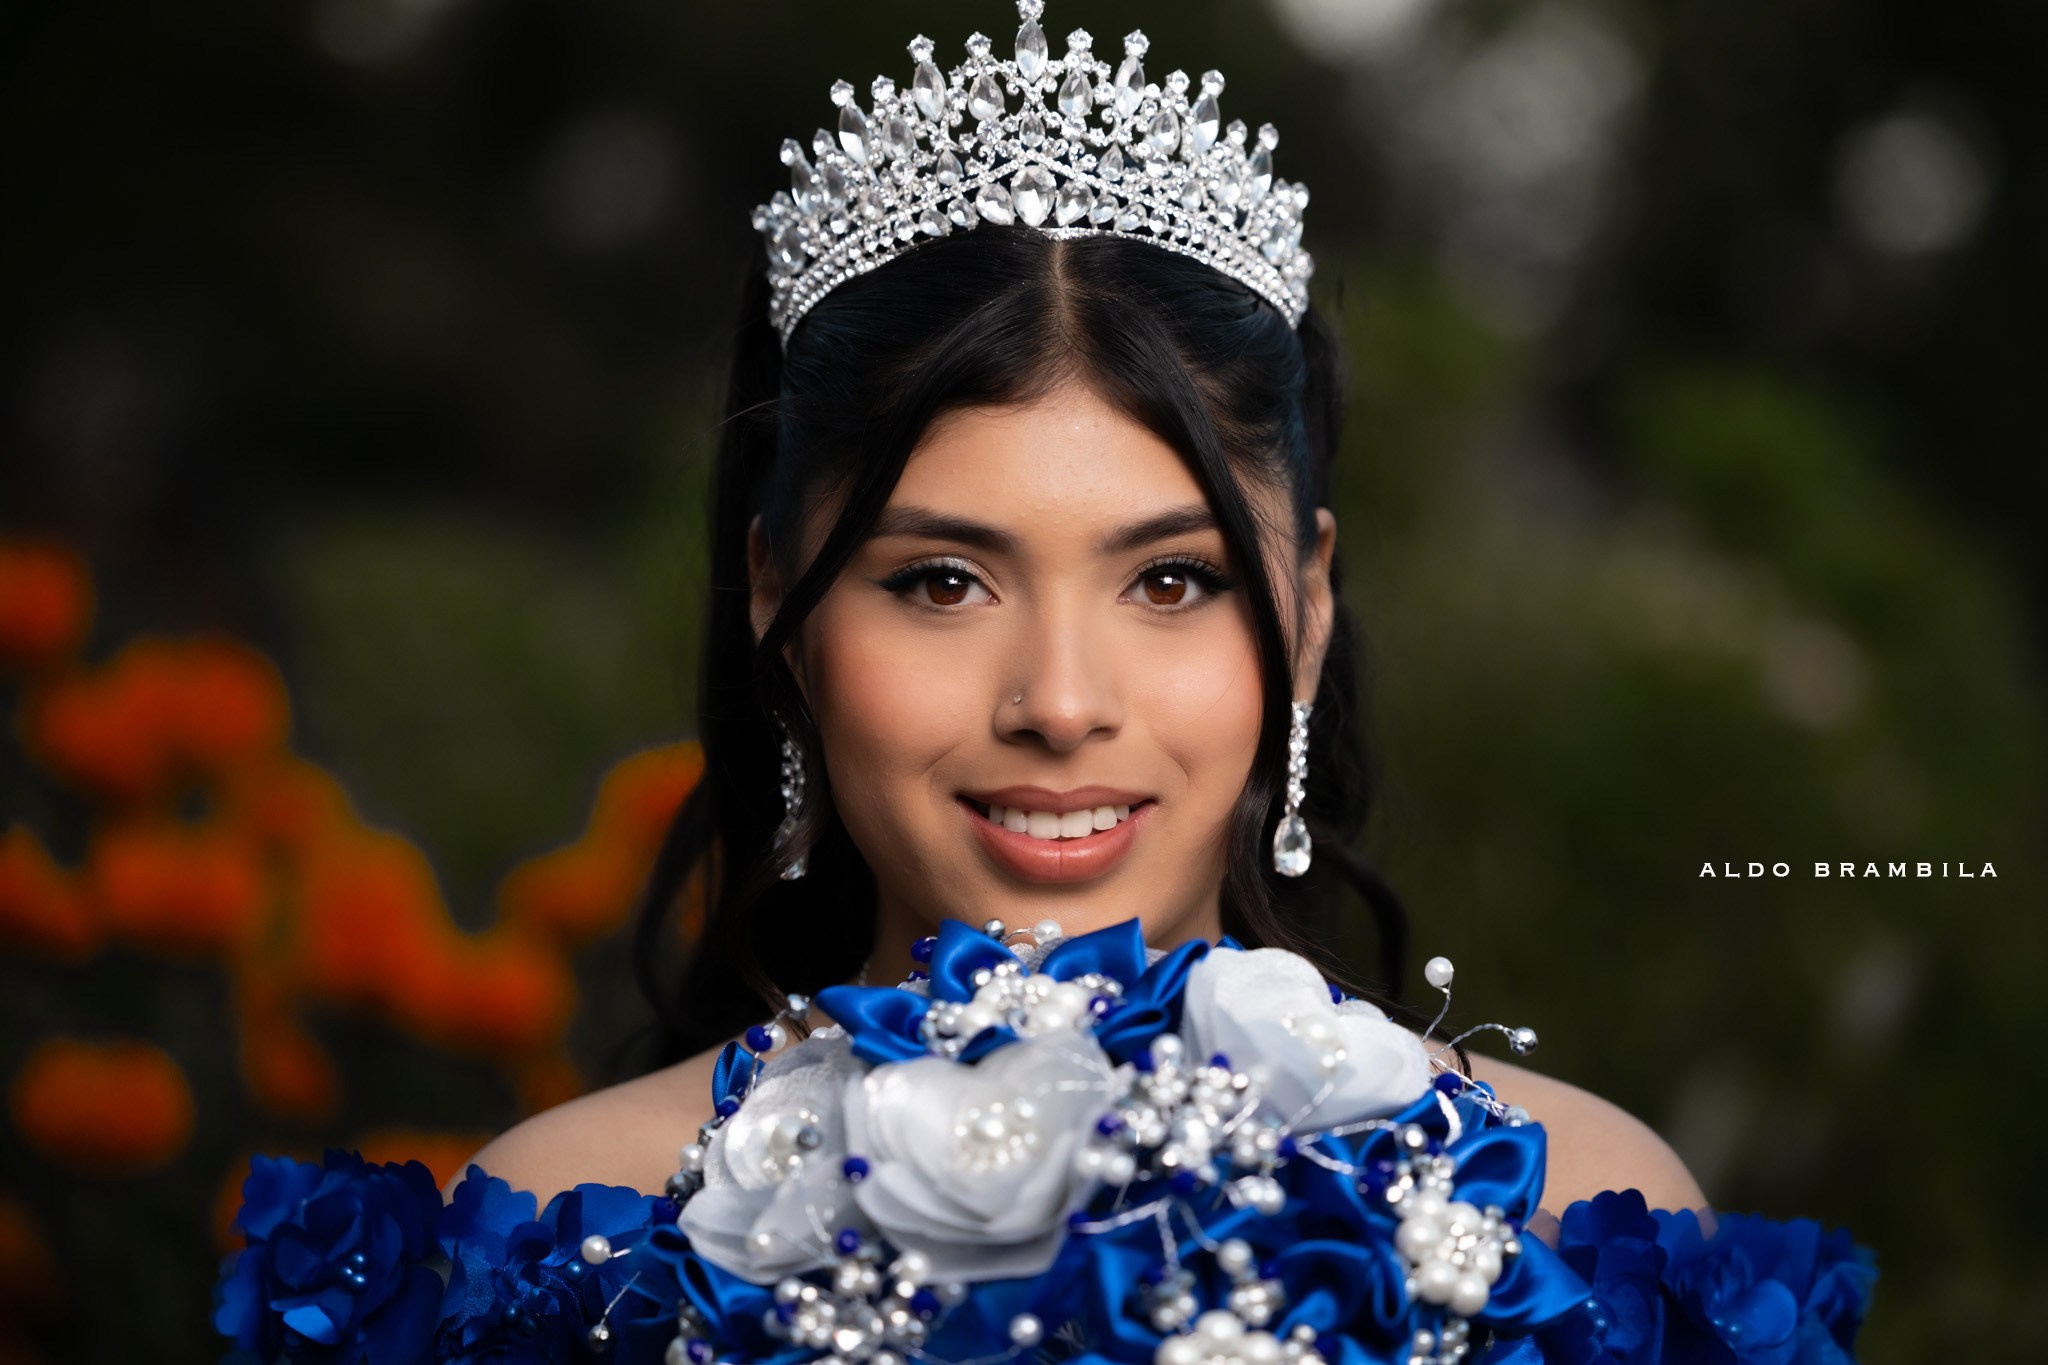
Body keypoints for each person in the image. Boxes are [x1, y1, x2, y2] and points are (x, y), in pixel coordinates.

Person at [216, 7, 1870, 1363]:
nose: (1061, 701)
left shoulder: (1578, 1227)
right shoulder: (564, 1243)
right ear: (781, 599)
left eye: (1173, 580)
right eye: (941, 581)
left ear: (1301, 606)